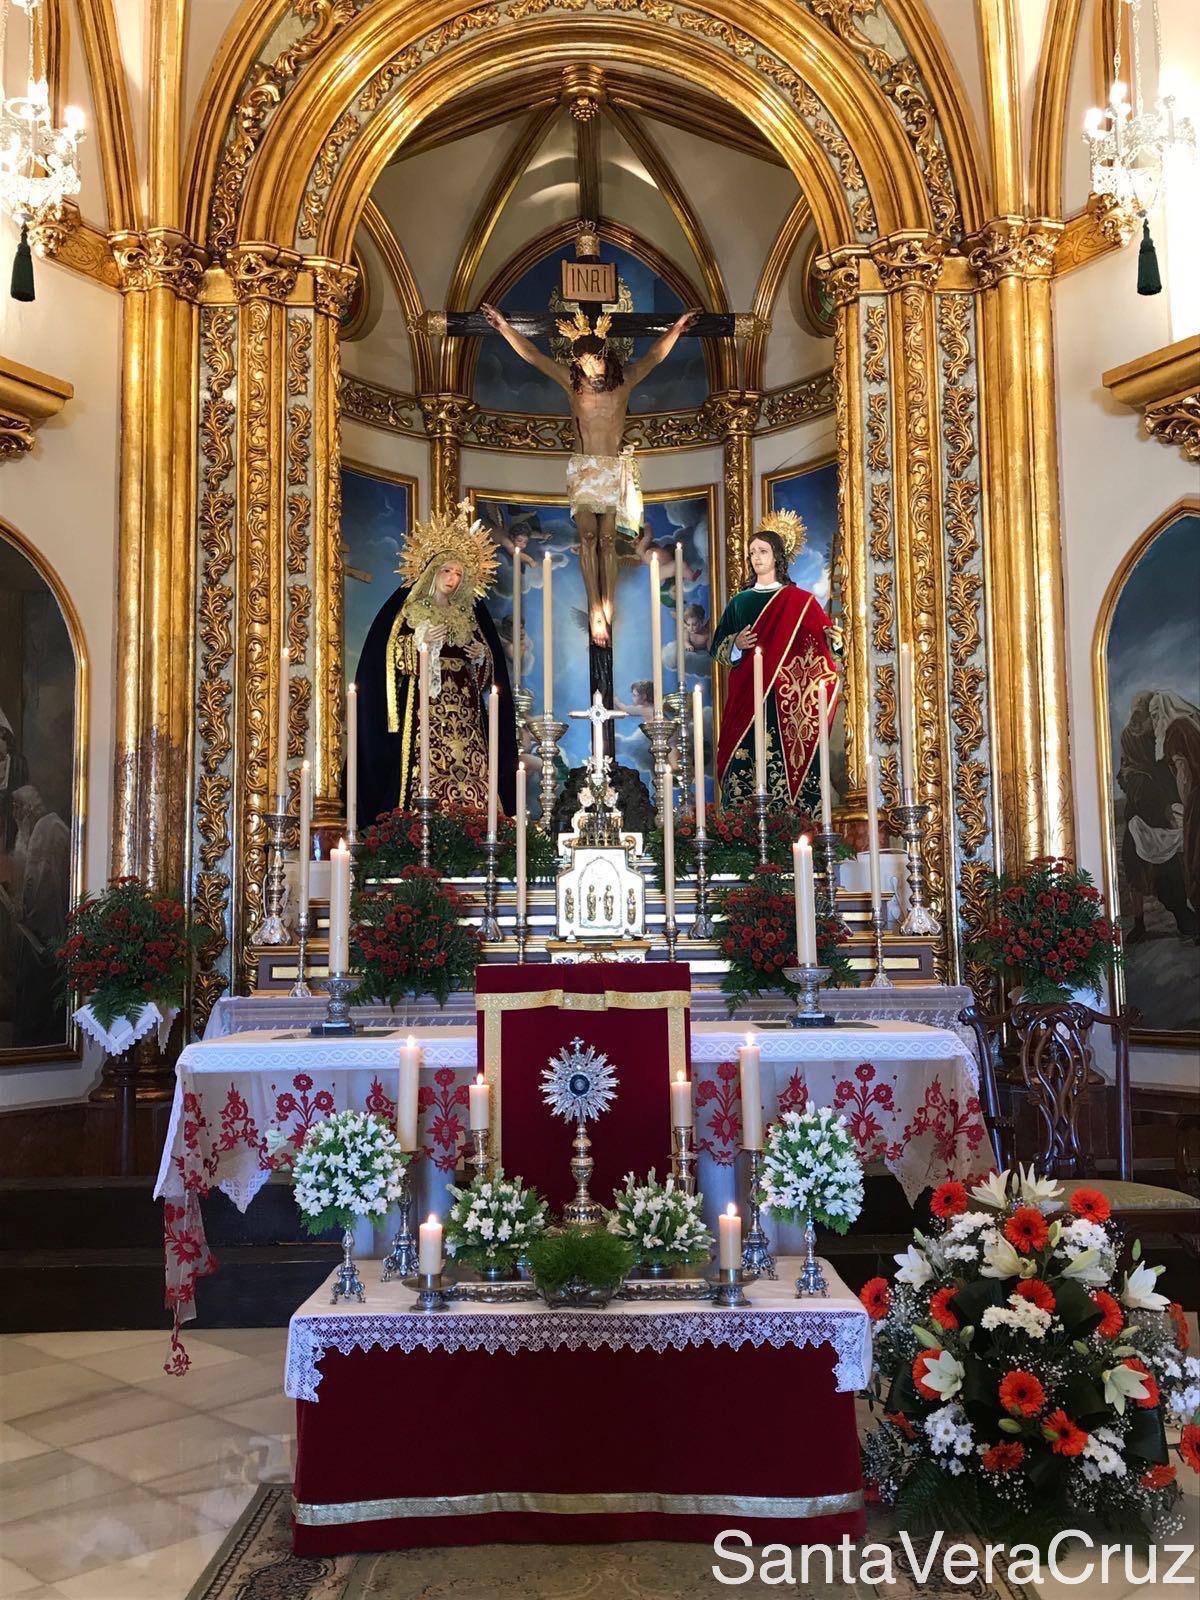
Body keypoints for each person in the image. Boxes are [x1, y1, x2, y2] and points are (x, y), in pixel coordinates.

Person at [481, 301, 700, 647]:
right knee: (587, 539)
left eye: (593, 359)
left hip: (613, 469)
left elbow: (654, 357)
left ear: (605, 356)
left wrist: (675, 329)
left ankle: (606, 606)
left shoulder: (623, 383)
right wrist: (504, 327)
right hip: (584, 470)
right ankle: (595, 609)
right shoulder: (573, 385)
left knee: (609, 541)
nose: (588, 367)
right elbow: (535, 357)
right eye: (582, 362)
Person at [354, 501, 517, 826]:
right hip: (426, 707)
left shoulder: (469, 615)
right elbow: (388, 660)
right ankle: (419, 823)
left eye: (458, 573)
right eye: (446, 571)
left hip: (467, 712)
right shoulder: (409, 610)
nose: (452, 579)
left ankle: (477, 824)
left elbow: (488, 670)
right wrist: (422, 645)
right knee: (426, 765)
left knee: (473, 767)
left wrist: (481, 657)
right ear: (431, 572)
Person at [710, 511, 838, 811]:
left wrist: (837, 643)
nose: (756, 557)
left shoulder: (800, 601)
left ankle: (792, 823)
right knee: (745, 758)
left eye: (763, 551)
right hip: (746, 696)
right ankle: (742, 828)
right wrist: (737, 644)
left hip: (785, 700)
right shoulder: (740, 602)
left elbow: (825, 642)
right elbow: (717, 647)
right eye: (752, 552)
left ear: (777, 557)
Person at [1116, 690, 1195, 943]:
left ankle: (1183, 915)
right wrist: (1130, 779)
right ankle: (1140, 922)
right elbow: (1125, 769)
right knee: (1133, 862)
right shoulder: (1129, 735)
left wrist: (1171, 800)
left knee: (1171, 864)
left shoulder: (1161, 732)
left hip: (1161, 804)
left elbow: (1169, 767)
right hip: (1139, 808)